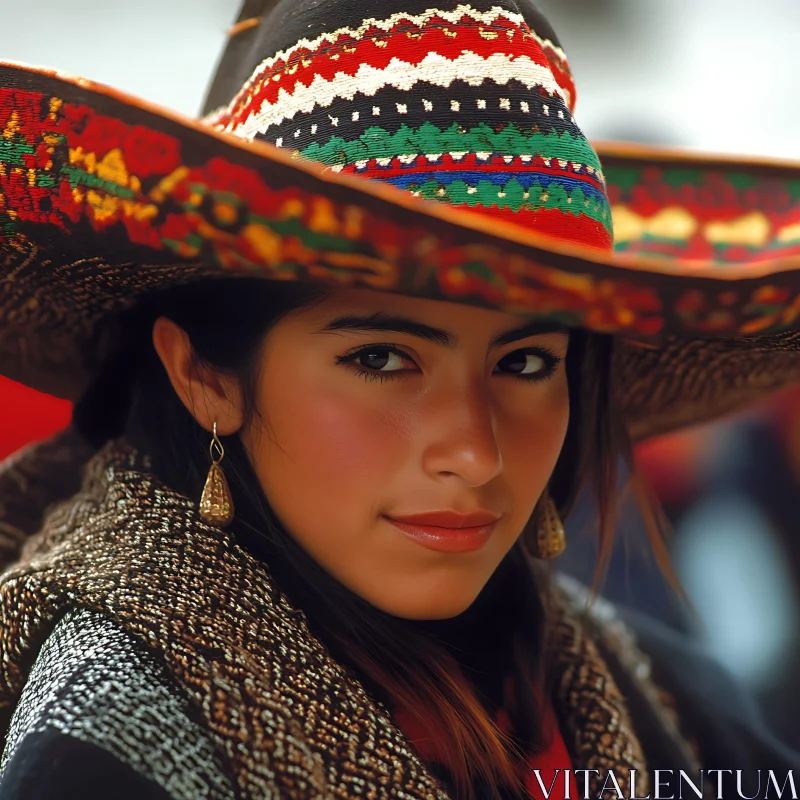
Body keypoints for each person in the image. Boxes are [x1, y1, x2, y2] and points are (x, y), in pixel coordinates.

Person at [0, 1, 799, 798]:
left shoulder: (676, 710)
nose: (476, 453)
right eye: (382, 357)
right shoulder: (110, 744)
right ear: (205, 374)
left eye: (524, 363)